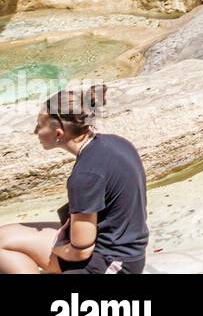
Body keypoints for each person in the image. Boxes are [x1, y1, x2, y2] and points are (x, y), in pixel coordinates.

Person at [0, 86, 148, 274]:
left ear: (58, 133)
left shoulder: (85, 175)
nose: (35, 130)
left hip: (111, 263)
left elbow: (81, 251)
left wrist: (55, 250)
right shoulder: (116, 143)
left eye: (39, 124)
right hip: (126, 249)